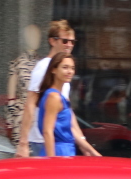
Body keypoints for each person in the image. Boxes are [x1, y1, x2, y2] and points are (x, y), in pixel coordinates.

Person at [16, 19, 97, 157]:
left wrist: (83, 142)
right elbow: (30, 103)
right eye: (65, 41)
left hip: (59, 140)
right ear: (52, 41)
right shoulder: (44, 67)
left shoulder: (64, 71)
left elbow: (67, 112)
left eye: (72, 41)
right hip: (43, 140)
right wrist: (23, 142)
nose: (69, 45)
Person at [38, 52, 96, 157]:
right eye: (65, 67)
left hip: (66, 151)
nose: (70, 71)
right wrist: (52, 161)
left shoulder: (59, 96)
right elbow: (47, 132)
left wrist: (93, 152)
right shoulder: (54, 97)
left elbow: (71, 130)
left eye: (72, 68)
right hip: (58, 153)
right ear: (53, 69)